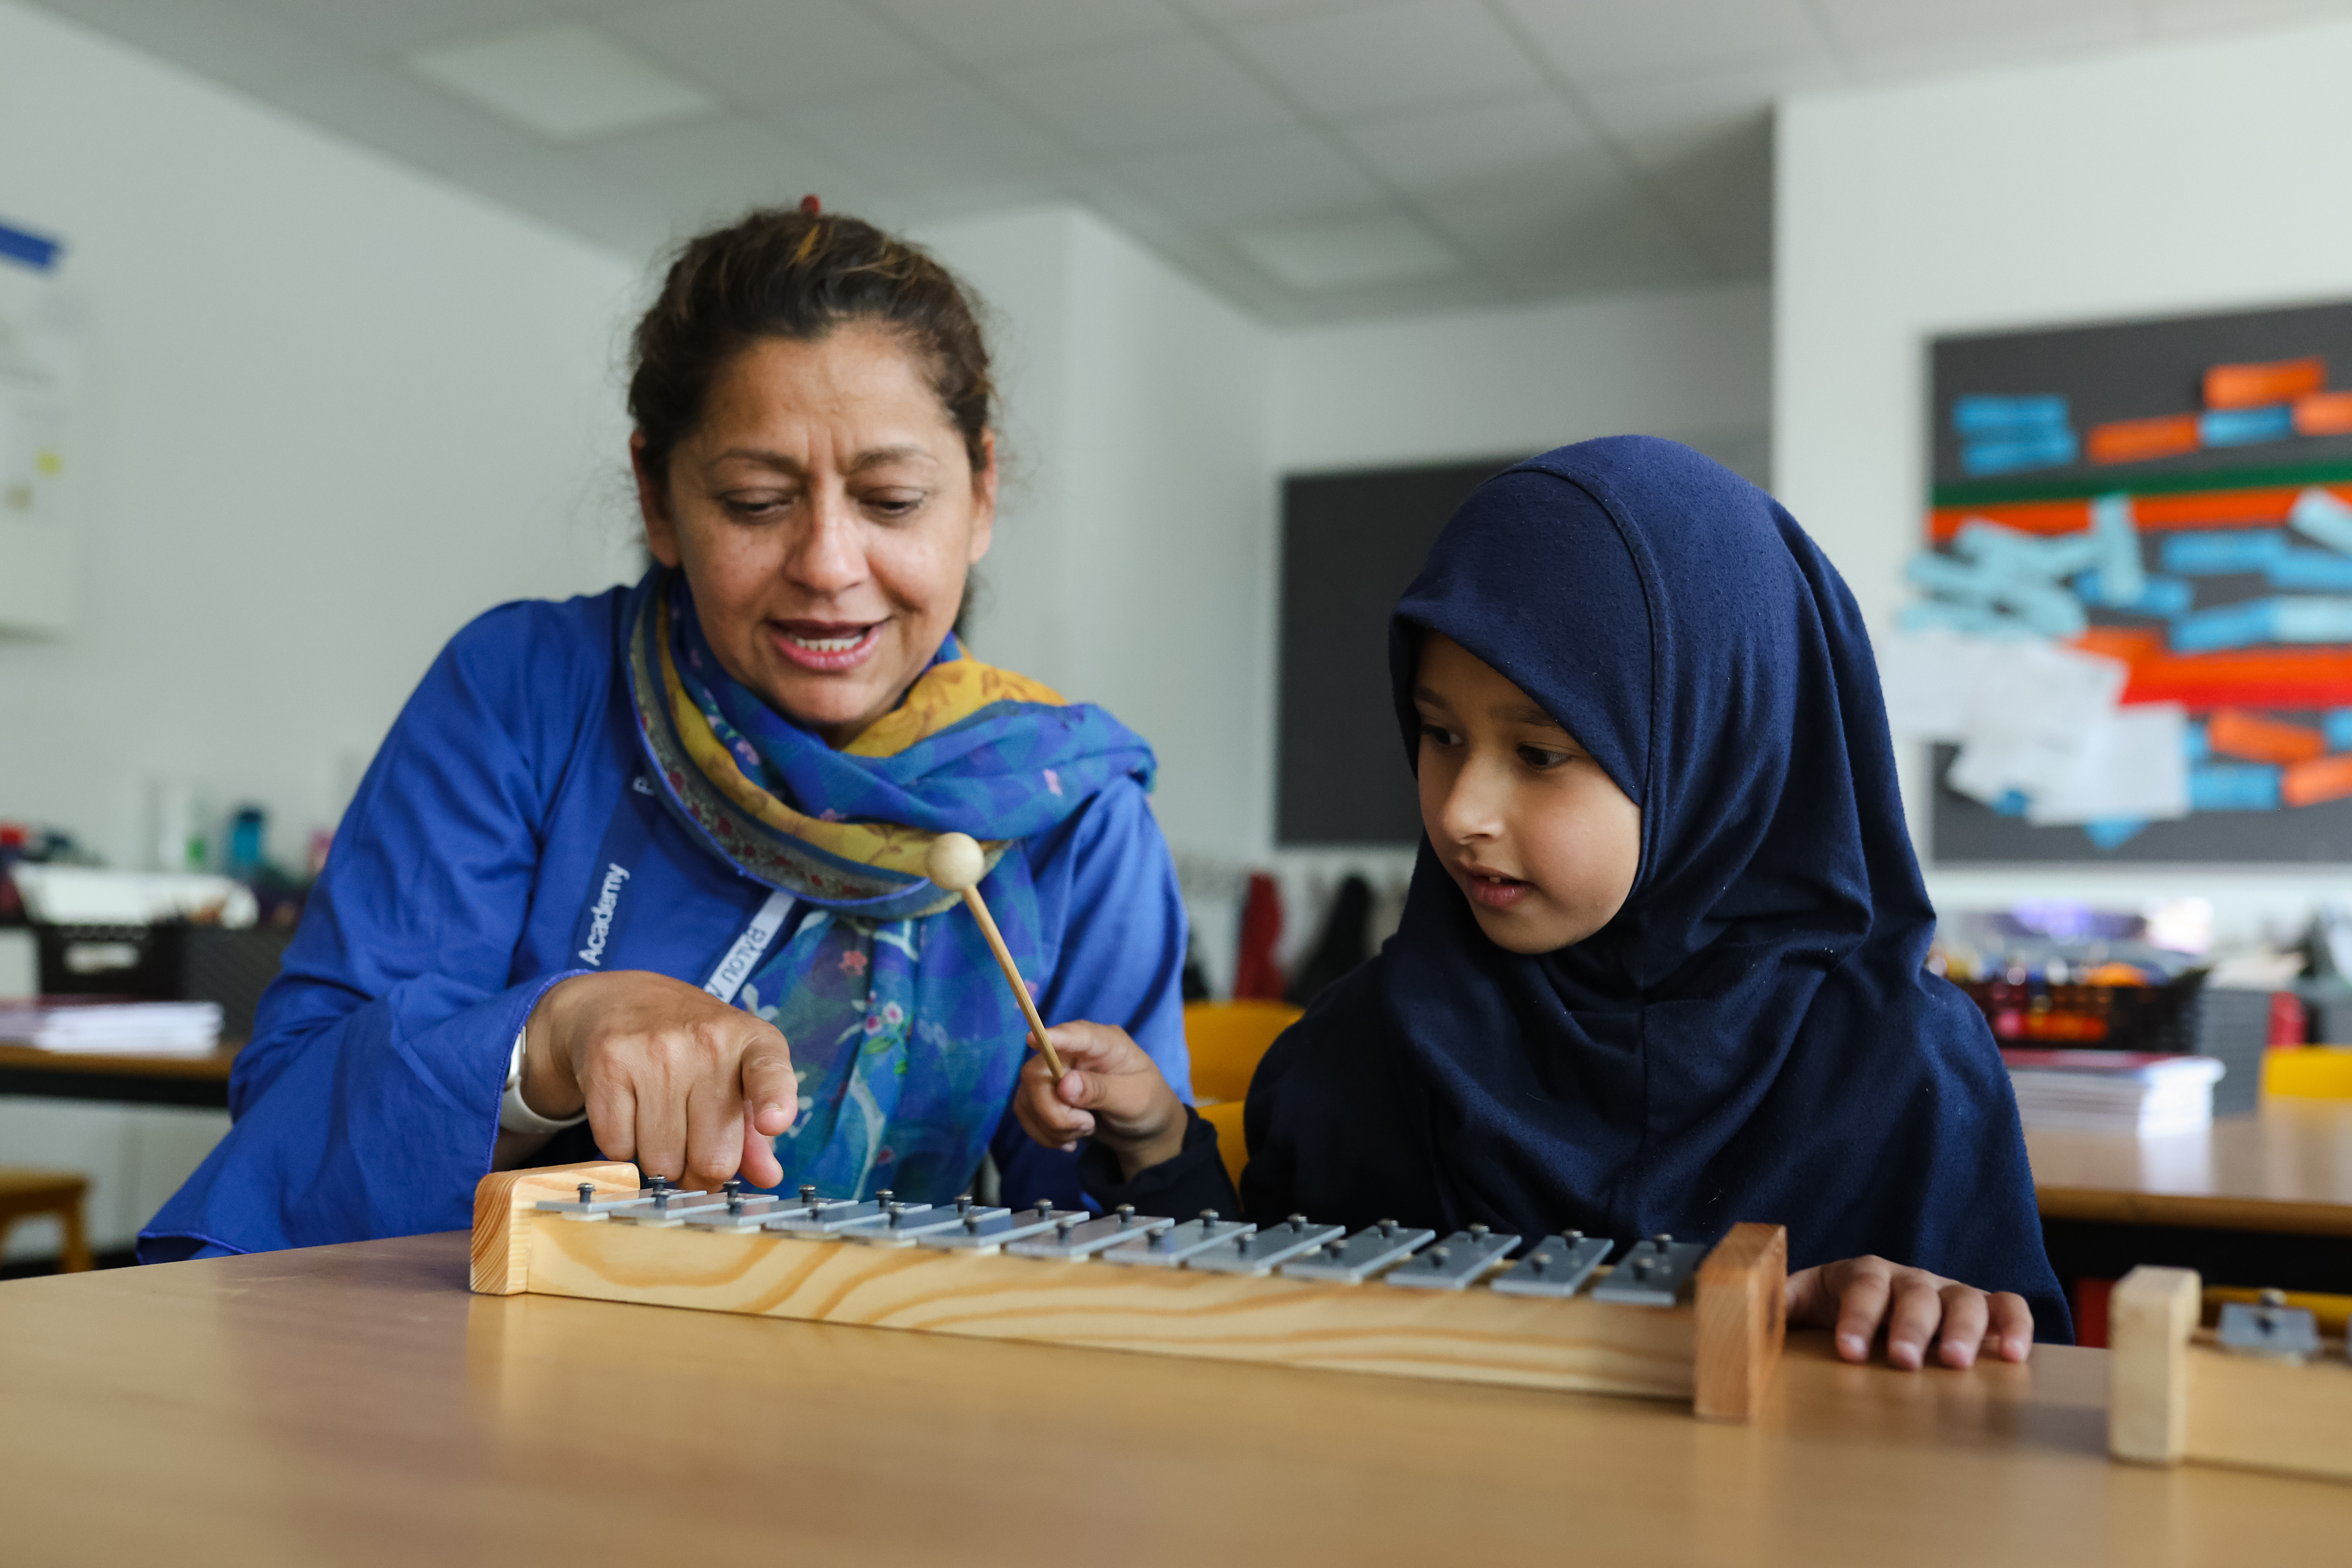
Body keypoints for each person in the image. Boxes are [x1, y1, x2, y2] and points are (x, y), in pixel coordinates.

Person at [142, 207, 1190, 1261]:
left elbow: (1117, 1252)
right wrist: (548, 1043)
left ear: (981, 495)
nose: (829, 565)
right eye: (756, 502)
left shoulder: (1068, 810)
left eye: (892, 500)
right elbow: (293, 1111)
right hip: (493, 1344)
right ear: (657, 497)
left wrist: (1143, 1144)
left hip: (885, 1349)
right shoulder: (525, 693)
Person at [1013, 437, 2070, 1368]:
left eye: (1540, 753)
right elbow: (1264, 1329)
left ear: (1719, 753)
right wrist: (1157, 1146)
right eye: (1440, 735)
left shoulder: (1904, 1073)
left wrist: (1939, 1318)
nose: (1461, 810)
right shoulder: (1365, 1048)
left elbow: (2019, 1410)